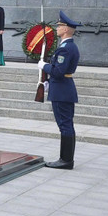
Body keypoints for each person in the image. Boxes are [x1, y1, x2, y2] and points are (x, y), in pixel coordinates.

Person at [42, 11, 80, 170]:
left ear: (65, 29)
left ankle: (66, 160)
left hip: (62, 91)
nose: (57, 28)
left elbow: (58, 71)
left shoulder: (65, 49)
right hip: (64, 89)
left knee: (64, 125)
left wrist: (44, 66)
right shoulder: (69, 46)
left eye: (59, 26)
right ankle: (67, 159)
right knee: (67, 125)